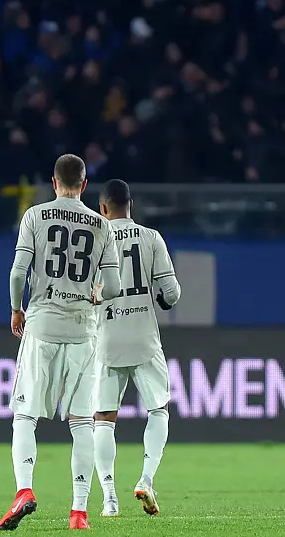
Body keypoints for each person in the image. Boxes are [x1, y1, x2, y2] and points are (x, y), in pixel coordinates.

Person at [0, 154, 122, 531]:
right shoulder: (102, 226)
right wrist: (95, 296)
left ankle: (24, 491)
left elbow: (19, 271)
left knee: (24, 417)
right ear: (84, 185)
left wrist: (17, 310)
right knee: (82, 422)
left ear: (54, 183)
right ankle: (79, 512)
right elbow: (114, 287)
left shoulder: (35, 216)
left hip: (43, 325)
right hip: (84, 331)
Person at [91, 179, 181, 517]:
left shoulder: (94, 240)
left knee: (103, 419)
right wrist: (162, 299)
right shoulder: (151, 237)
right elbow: (171, 293)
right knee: (158, 409)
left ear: (103, 208)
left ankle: (109, 499)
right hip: (144, 337)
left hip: (107, 338)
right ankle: (146, 478)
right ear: (131, 205)